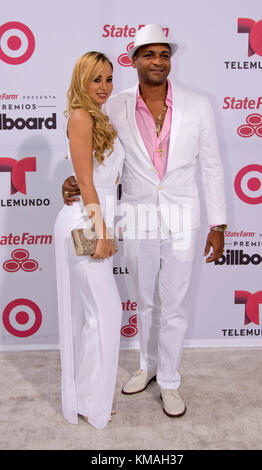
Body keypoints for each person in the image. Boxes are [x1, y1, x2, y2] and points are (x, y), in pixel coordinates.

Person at [62, 25, 227, 418]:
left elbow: (213, 167)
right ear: (133, 60)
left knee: (175, 303)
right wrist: (70, 179)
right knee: (146, 299)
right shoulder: (113, 105)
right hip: (135, 216)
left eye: (164, 55)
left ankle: (169, 380)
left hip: (184, 217)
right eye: (149, 54)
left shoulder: (199, 104)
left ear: (170, 61)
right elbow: (93, 153)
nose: (158, 61)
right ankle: (147, 365)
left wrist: (218, 225)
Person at [54, 51, 125, 429]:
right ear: (81, 79)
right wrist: (101, 233)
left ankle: (87, 397)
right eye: (96, 78)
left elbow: (89, 177)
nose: (103, 86)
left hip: (97, 216)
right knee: (106, 312)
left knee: (96, 317)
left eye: (108, 78)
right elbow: (84, 183)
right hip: (86, 222)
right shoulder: (81, 116)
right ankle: (90, 401)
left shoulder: (100, 117)